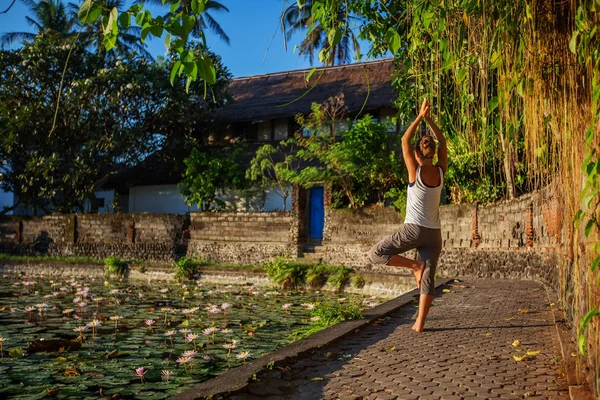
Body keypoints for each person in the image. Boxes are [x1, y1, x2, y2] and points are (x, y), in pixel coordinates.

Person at [367, 98, 447, 332]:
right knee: (429, 279)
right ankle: (419, 324)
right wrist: (430, 120)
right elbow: (442, 141)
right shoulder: (441, 171)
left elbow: (404, 139)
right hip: (434, 234)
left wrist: (421, 117)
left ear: (417, 153)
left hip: (413, 230)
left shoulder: (415, 171)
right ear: (432, 152)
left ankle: (414, 265)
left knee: (375, 253)